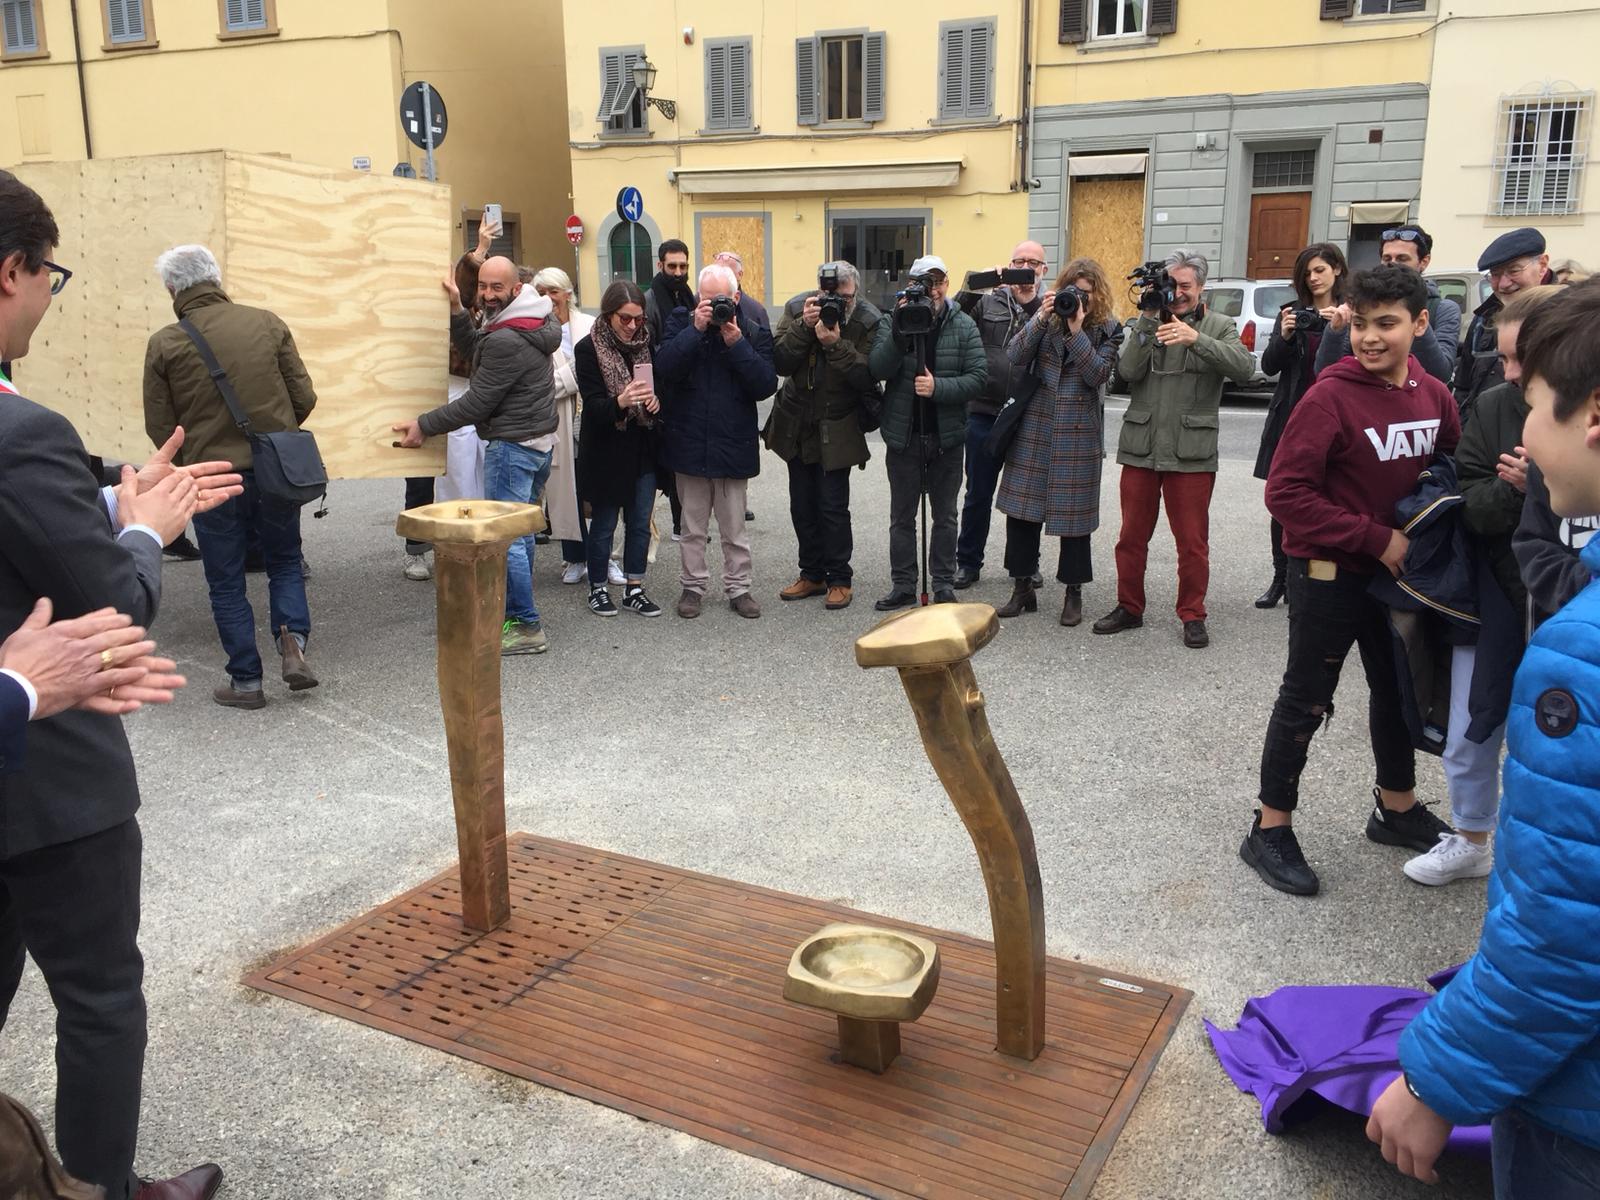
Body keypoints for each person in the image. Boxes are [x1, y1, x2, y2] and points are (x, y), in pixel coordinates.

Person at [0, 169, 237, 1200]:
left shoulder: (27, 444)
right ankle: (93, 1187)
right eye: (48, 275)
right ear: (10, 271)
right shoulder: (19, 432)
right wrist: (145, 528)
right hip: (49, 781)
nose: (51, 297)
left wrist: (96, 493)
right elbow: (113, 613)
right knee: (100, 997)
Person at [1367, 278, 1600, 1198]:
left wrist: (1436, 1078)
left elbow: (1566, 931)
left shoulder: (1580, 657)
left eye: (1535, 405)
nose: (1524, 434)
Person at [1240, 264, 1461, 897]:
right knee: (1307, 697)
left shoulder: (1433, 392)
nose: (1368, 337)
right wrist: (1378, 537)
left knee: (1395, 694)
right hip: (1328, 574)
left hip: (1399, 584)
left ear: (1419, 324)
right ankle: (1269, 826)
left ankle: (1395, 809)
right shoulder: (1328, 397)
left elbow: (1449, 457)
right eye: (1359, 323)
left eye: (1386, 324)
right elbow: (1285, 494)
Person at [1405, 285, 1564, 887]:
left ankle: (1544, 853)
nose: (1513, 372)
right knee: (1474, 722)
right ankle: (1471, 836)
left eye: (1526, 356)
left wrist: (1547, 482)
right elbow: (1468, 500)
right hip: (1495, 593)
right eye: (1503, 358)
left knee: (1558, 737)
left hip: (1570, 603)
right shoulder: (1495, 403)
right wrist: (1513, 491)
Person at [144, 244, 319, 708]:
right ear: (216, 278)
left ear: (171, 289)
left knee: (225, 580)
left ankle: (245, 681)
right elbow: (303, 397)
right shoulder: (267, 322)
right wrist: (272, 432)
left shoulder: (165, 342)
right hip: (274, 466)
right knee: (284, 559)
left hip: (210, 477)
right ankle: (293, 642)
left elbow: (161, 430)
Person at [393, 256, 563, 656]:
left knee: (507, 541)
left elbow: (476, 403)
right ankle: (517, 613)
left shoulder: (508, 337)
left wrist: (424, 424)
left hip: (512, 447)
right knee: (520, 533)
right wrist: (456, 311)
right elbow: (477, 352)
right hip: (536, 444)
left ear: (515, 289)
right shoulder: (530, 319)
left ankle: (524, 625)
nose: (486, 295)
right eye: (483, 286)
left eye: (496, 288)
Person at [1094, 249, 1254, 648]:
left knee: (1192, 542)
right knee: (1131, 537)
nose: (1178, 293)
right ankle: (1129, 607)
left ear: (1201, 288)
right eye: (1172, 285)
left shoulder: (1219, 324)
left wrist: (1195, 339)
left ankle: (1193, 614)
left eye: (1186, 286)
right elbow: (1126, 373)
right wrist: (1147, 321)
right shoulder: (1148, 320)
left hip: (1191, 451)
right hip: (1141, 447)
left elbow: (1244, 368)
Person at [992, 258, 1122, 625]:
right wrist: (1040, 318)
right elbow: (1014, 356)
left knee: (1075, 522)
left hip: (1078, 433)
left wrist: (1077, 330)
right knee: (1021, 515)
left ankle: (1073, 593)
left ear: (1097, 295)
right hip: (1035, 426)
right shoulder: (1045, 321)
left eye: (1086, 292)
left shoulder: (1109, 329)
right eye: (1072, 291)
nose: (1078, 298)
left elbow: (1097, 373)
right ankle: (1022, 588)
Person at [655, 263, 777, 619]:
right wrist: (694, 330)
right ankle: (692, 587)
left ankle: (739, 589)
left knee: (734, 529)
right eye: (704, 300)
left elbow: (765, 384)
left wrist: (736, 344)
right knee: (691, 529)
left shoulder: (752, 331)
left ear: (736, 298)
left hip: (732, 443)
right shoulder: (682, 322)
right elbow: (664, 367)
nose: (711, 307)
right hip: (689, 441)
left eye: (719, 300)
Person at [868, 254, 987, 608]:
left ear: (946, 284)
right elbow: (877, 368)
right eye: (923, 282)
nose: (931, 290)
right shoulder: (893, 321)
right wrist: (900, 334)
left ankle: (943, 583)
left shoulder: (964, 324)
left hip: (947, 437)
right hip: (904, 435)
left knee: (945, 515)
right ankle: (904, 584)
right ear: (910, 285)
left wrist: (939, 388)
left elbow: (979, 378)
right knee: (902, 516)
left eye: (936, 282)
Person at [767, 260, 882, 610]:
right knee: (802, 504)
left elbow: (869, 375)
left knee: (833, 506)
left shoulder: (867, 319)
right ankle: (812, 573)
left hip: (838, 422)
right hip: (797, 422)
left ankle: (839, 578)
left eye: (843, 297)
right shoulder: (798, 308)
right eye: (828, 295)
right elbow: (780, 361)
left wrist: (835, 345)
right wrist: (805, 325)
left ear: (855, 292)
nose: (836, 303)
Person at [401, 216, 504, 581]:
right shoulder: (445, 298)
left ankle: (472, 540)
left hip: (476, 392)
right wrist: (480, 249)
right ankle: (423, 549)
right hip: (442, 386)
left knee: (473, 467)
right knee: (429, 470)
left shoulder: (490, 309)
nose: (485, 292)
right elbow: (461, 282)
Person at [1253, 243, 1349, 608]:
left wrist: (1340, 326)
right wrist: (1286, 334)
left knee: (1329, 499)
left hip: (1334, 417)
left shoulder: (1349, 311)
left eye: (1320, 269)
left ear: (1337, 269)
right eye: (1308, 272)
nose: (1314, 277)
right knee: (1282, 501)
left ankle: (1320, 579)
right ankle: (1282, 579)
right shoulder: (1291, 313)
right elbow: (1270, 366)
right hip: (1291, 415)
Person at [952, 241, 1050, 589]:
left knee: (1026, 498)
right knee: (978, 492)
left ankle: (1026, 565)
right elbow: (953, 319)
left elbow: (1056, 342)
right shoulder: (988, 299)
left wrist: (1031, 302)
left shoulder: (1048, 306)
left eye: (1032, 263)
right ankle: (968, 562)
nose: (1024, 268)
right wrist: (977, 283)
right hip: (983, 409)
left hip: (1028, 415)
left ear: (1044, 270)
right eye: (1018, 262)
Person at [573, 282, 663, 618]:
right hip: (607, 447)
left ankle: (634, 588)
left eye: (638, 319)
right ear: (609, 314)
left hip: (641, 444)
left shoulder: (645, 343)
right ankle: (597, 587)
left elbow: (660, 388)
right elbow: (593, 407)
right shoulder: (588, 348)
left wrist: (655, 401)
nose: (632, 326)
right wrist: (621, 402)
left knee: (640, 522)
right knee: (605, 522)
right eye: (625, 319)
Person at [532, 267, 615, 589]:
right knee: (564, 490)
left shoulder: (588, 326)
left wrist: (570, 379)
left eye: (554, 291)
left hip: (591, 415)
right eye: (541, 292)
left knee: (597, 488)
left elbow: (600, 369)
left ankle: (603, 557)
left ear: (567, 293)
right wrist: (572, 379)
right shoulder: (533, 331)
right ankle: (574, 557)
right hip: (555, 418)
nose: (548, 299)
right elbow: (536, 385)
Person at [1313, 224, 1458, 386]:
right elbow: (1324, 371)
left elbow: (1440, 373)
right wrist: (1335, 330)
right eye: (1387, 258)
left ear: (1424, 262)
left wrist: (1412, 314)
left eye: (1402, 259)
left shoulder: (1443, 309)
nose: (1392, 265)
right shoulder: (1364, 305)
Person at [1455, 226, 1555, 418]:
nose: (1503, 283)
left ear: (1542, 265)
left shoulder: (1569, 317)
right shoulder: (1483, 319)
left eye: (1513, 271)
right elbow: (1463, 385)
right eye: (1495, 274)